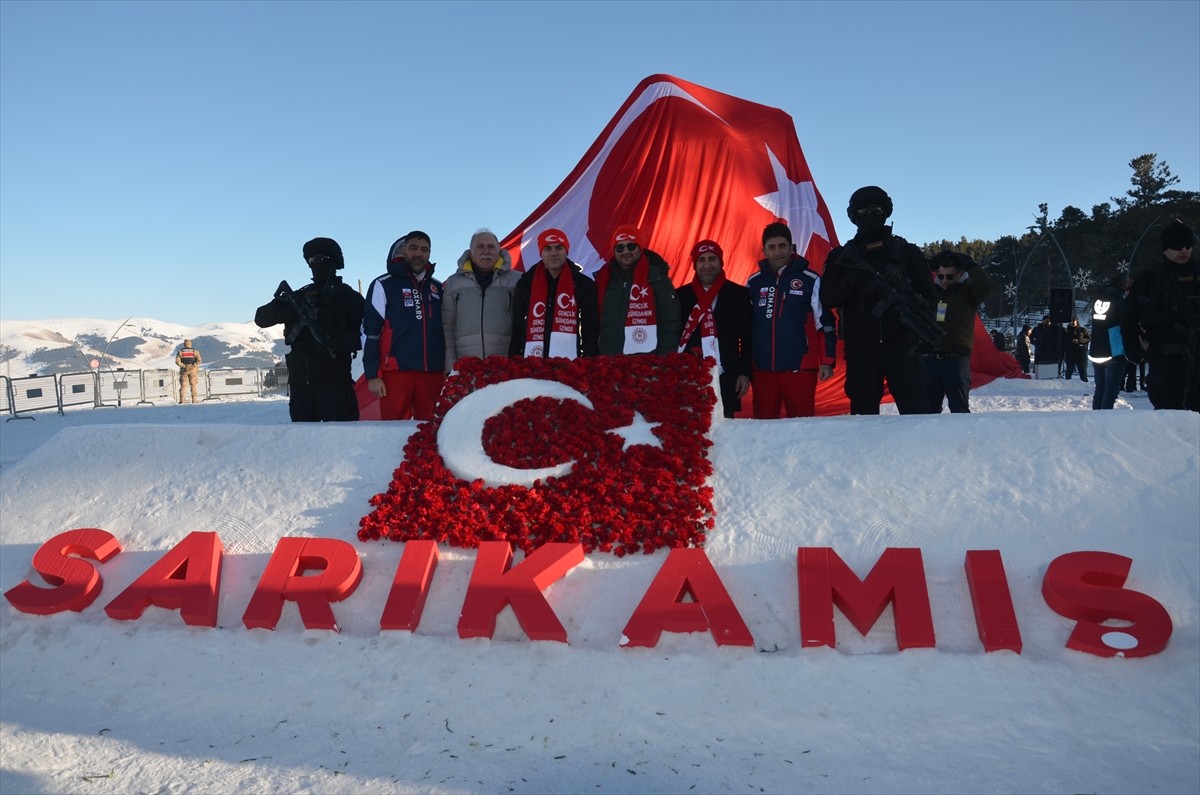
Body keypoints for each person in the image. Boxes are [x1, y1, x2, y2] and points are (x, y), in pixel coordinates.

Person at [819, 186, 934, 414]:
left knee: (917, 416)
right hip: (861, 349)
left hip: (903, 346)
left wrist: (931, 325)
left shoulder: (907, 253)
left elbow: (933, 297)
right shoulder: (841, 257)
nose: (869, 217)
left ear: (886, 212)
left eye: (875, 211)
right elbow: (827, 297)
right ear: (853, 216)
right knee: (863, 418)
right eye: (863, 213)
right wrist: (852, 283)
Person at [255, 237, 364, 422]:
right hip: (301, 384)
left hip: (335, 383)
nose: (316, 265)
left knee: (342, 441)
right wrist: (287, 311)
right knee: (303, 441)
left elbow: (365, 335)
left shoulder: (348, 297)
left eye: (322, 260)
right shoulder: (298, 295)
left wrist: (336, 342)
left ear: (334, 262)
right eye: (312, 261)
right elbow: (261, 318)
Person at [746, 223, 835, 418]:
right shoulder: (753, 282)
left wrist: (827, 361)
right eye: (772, 247)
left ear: (791, 247)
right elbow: (746, 327)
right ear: (764, 250)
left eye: (782, 246)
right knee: (764, 430)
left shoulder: (810, 279)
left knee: (803, 428)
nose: (777, 252)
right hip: (763, 371)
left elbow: (825, 323)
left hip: (800, 369)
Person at [362, 232, 445, 421]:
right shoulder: (383, 284)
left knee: (432, 430)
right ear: (403, 251)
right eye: (413, 248)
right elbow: (370, 332)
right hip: (396, 374)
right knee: (392, 431)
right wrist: (373, 375)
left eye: (424, 250)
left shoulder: (437, 288)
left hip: (431, 373)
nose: (419, 254)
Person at [1127, 220, 1200, 411]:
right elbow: (1128, 316)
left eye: (1188, 245)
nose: (1184, 250)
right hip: (1164, 358)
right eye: (1177, 246)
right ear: (1165, 249)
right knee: (1169, 414)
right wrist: (1134, 349)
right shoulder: (1150, 279)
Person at [676, 238, 753, 418]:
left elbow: (748, 338)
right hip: (689, 375)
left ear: (721, 262)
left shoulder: (739, 294)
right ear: (695, 265)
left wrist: (745, 373)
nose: (707, 265)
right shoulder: (680, 296)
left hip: (727, 376)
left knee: (725, 428)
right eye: (701, 260)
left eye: (712, 259)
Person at [509, 228, 599, 360]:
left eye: (559, 248)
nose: (553, 253)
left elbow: (590, 329)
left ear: (566, 251)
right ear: (541, 253)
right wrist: (514, 360)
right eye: (547, 249)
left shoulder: (583, 284)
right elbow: (517, 327)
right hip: (531, 361)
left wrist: (588, 361)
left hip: (572, 362)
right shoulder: (526, 283)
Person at [594, 225, 682, 355]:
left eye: (631, 246)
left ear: (640, 248)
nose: (625, 251)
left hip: (646, 364)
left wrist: (665, 359)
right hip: (609, 362)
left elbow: (670, 324)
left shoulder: (658, 279)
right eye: (619, 247)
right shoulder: (603, 280)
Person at [442, 229, 521, 372]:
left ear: (499, 250)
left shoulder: (517, 280)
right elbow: (447, 327)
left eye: (491, 246)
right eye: (480, 246)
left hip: (505, 366)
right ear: (471, 252)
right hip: (465, 367)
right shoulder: (454, 283)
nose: (486, 251)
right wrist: (450, 367)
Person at [924, 251, 992, 413]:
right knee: (927, 411)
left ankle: (962, 438)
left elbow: (985, 285)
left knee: (959, 409)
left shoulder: (967, 294)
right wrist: (928, 264)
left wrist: (969, 264)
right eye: (941, 276)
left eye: (949, 277)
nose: (945, 281)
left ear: (960, 274)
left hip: (956, 359)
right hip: (930, 358)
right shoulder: (930, 293)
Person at [1088, 273, 1135, 410]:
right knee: (1110, 392)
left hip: (1096, 348)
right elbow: (1127, 319)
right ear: (1124, 284)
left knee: (1100, 389)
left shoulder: (1099, 296)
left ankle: (1095, 417)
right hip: (1114, 349)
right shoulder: (1119, 297)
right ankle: (1104, 421)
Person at [175, 339, 203, 403]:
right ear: (190, 344)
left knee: (183, 386)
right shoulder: (195, 351)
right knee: (193, 385)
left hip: (184, 371)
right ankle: (194, 399)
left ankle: (182, 400)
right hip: (193, 371)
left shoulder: (180, 351)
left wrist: (184, 366)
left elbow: (177, 361)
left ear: (184, 344)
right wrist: (193, 366)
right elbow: (199, 360)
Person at [1063, 317, 1090, 382]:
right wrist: (1071, 340)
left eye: (1073, 321)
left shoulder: (1083, 330)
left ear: (1076, 321)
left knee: (1082, 370)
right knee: (1069, 370)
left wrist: (1080, 341)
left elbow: (1088, 339)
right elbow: (1063, 341)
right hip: (1070, 352)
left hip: (1081, 353)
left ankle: (1085, 383)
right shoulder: (1066, 331)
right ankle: (1067, 383)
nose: (1072, 322)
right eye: (1070, 321)